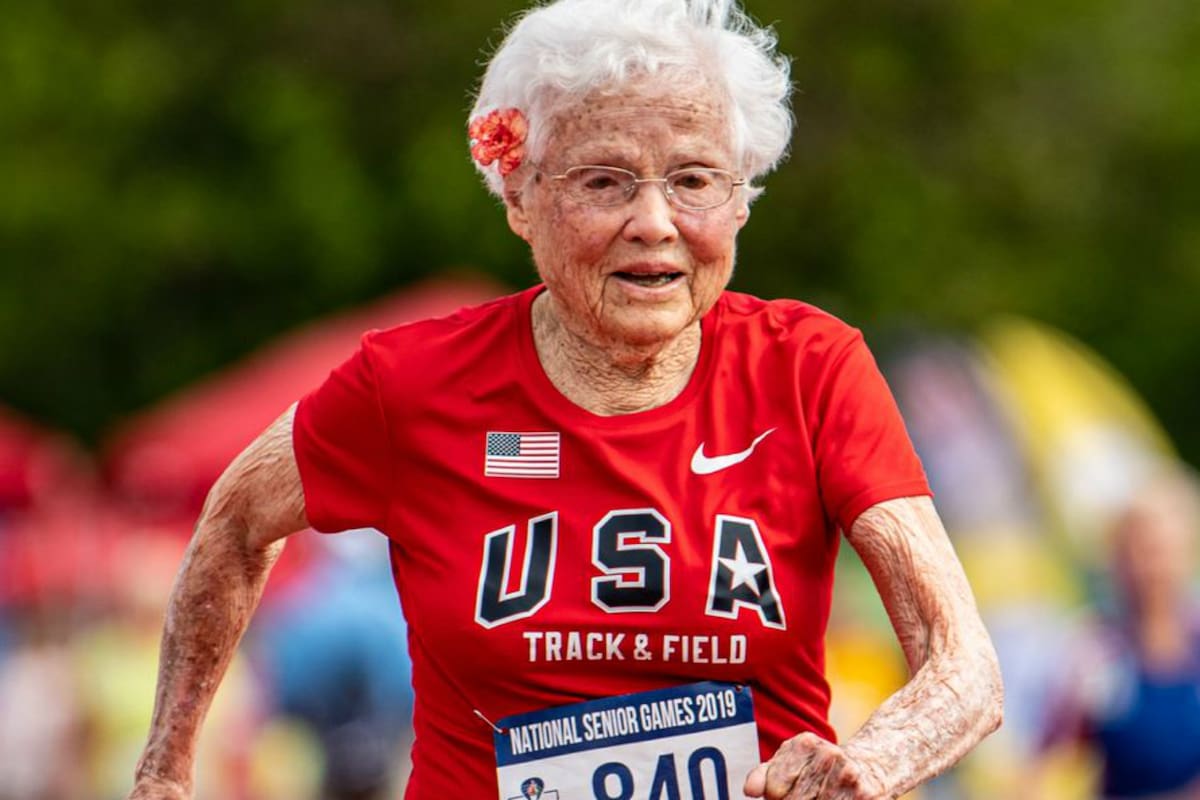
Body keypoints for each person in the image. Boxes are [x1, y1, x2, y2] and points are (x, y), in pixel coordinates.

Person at [127, 1, 1003, 798]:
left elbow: (963, 666)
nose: (655, 222)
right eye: (605, 181)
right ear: (520, 195)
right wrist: (165, 769)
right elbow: (236, 524)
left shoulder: (810, 368)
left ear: (740, 203)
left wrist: (869, 765)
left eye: (695, 179)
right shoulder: (408, 385)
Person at [1039, 466, 1200, 799]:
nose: (1149, 568)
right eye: (1135, 552)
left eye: (1158, 551)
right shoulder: (1096, 651)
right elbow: (1048, 760)